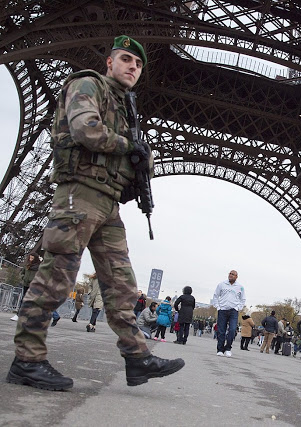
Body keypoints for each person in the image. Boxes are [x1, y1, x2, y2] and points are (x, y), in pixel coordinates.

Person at [6, 35, 184, 391]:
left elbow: (123, 154)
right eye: (126, 60)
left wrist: (139, 166)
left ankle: (137, 358)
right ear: (109, 61)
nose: (133, 67)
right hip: (80, 194)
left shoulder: (125, 106)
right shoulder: (88, 84)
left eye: (138, 64)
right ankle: (27, 360)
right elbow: (85, 129)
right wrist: (130, 147)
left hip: (108, 202)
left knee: (122, 286)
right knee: (56, 277)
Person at [212, 270, 246, 358]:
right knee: (221, 330)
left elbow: (243, 299)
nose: (231, 275)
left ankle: (228, 348)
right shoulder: (222, 284)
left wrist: (238, 308)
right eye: (230, 274)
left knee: (232, 329)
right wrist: (217, 306)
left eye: (233, 274)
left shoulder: (240, 287)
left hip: (233, 311)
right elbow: (215, 295)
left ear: (236, 277)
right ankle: (220, 349)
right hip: (222, 309)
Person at [11, 253, 41, 321]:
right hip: (25, 284)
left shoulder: (39, 267)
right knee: (24, 299)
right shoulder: (27, 265)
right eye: (30, 258)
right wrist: (23, 278)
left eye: (32, 258)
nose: (30, 260)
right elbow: (22, 273)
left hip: (33, 286)